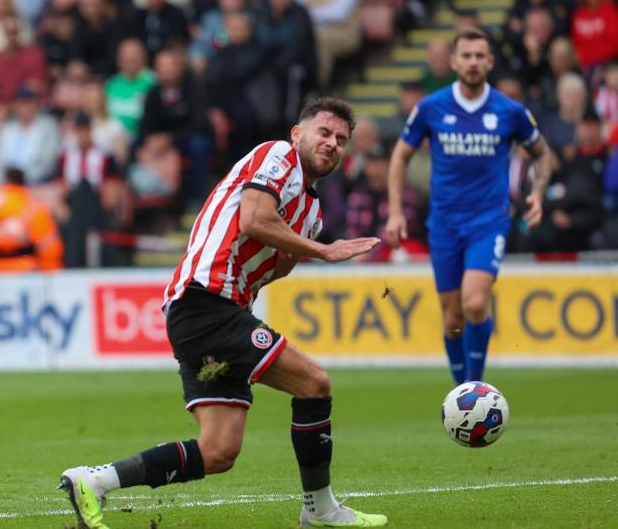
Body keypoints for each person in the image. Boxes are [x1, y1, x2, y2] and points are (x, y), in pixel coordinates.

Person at [58, 97, 386, 529]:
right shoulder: (278, 155)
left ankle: (94, 481)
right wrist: (323, 251)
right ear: (297, 133)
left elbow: (272, 263)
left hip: (215, 309)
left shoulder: (312, 213)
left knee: (218, 452)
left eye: (341, 140)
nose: (332, 143)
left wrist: (296, 248)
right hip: (206, 299)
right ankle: (320, 509)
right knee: (314, 383)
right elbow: (254, 219)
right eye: (324, 132)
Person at [385, 27, 552, 385]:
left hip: (488, 222)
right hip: (444, 223)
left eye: (479, 56)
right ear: (454, 61)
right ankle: (462, 391)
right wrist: (396, 211)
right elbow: (399, 157)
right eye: (466, 55)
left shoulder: (510, 111)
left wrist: (537, 191)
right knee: (453, 319)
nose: (473, 62)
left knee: (475, 303)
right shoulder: (431, 107)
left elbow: (542, 154)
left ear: (490, 62)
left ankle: (475, 388)